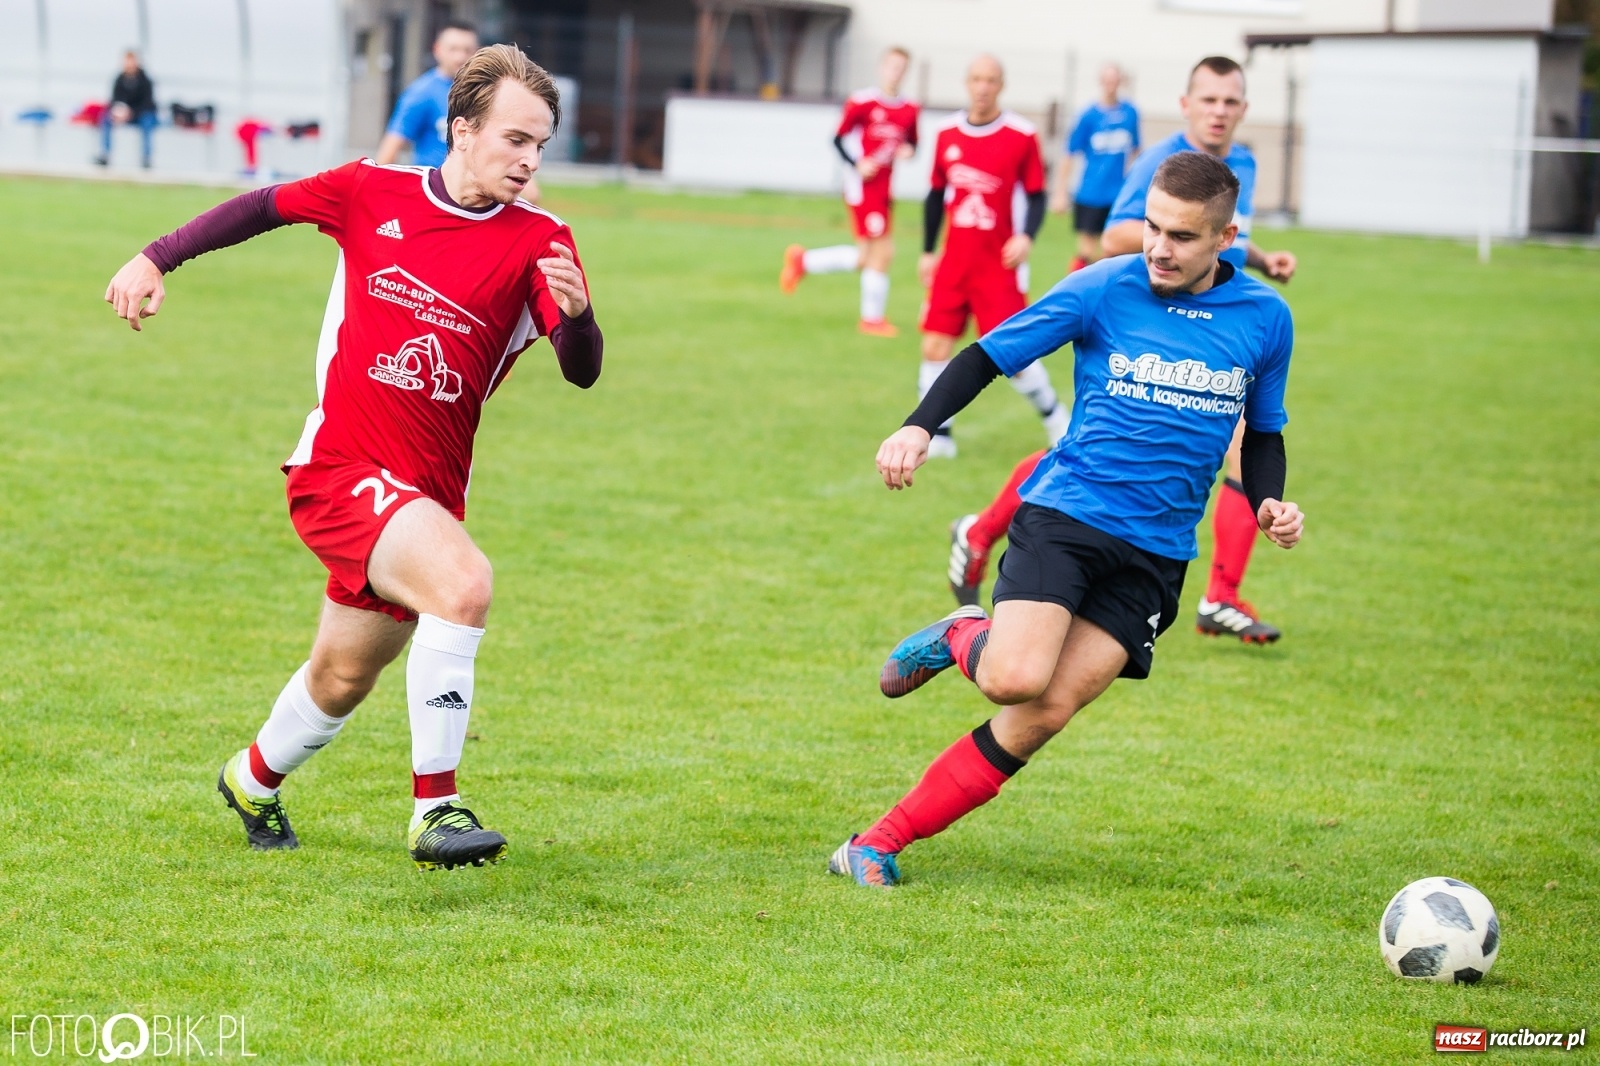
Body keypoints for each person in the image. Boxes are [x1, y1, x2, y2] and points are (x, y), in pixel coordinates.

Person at [102, 44, 602, 871]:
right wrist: (156, 255)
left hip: (425, 500)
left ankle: (250, 777)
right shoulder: (372, 189)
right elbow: (263, 205)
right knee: (466, 585)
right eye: (516, 139)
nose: (531, 160)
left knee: (340, 678)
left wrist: (579, 319)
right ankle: (435, 810)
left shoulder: (541, 240)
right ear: (463, 129)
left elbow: (581, 371)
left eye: (542, 145)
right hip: (338, 472)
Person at [828, 152, 1303, 888]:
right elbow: (989, 354)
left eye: (1181, 235)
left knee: (1045, 713)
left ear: (1226, 237)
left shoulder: (1266, 320)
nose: (1157, 248)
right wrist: (919, 427)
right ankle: (965, 634)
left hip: (1157, 555)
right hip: (1068, 517)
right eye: (1151, 227)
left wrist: (1269, 499)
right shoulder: (1103, 288)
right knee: (1015, 677)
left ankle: (874, 844)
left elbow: (1264, 430)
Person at [948, 56, 1296, 642]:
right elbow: (1114, 235)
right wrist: (1176, 240)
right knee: (1098, 453)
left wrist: (1256, 260)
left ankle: (1220, 595)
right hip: (1134, 312)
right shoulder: (1158, 165)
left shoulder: (1243, 165)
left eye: (1229, 102)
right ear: (1185, 104)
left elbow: (1225, 237)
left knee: (1231, 441)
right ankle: (982, 531)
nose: (1218, 111)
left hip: (1210, 319)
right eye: (1207, 100)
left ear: (1244, 109)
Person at [916, 55, 1068, 460]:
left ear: (1001, 85)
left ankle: (1056, 419)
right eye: (976, 79)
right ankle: (939, 436)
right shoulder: (946, 132)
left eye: (991, 80)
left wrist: (1025, 237)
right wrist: (928, 251)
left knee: (1013, 355)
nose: (983, 87)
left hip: (998, 264)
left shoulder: (1021, 134)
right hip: (954, 262)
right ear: (967, 83)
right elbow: (935, 196)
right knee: (934, 346)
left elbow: (1036, 195)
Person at [781, 47, 919, 337]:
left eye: (902, 68)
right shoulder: (862, 102)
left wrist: (909, 151)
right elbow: (838, 138)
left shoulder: (909, 109)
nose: (896, 72)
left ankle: (803, 261)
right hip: (862, 187)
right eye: (892, 66)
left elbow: (912, 144)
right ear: (882, 67)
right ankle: (871, 320)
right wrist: (857, 163)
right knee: (883, 252)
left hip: (884, 189)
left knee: (864, 257)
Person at [1056, 63, 1139, 274]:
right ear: (1101, 82)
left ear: (1120, 82)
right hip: (1090, 192)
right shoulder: (1088, 115)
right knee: (1085, 251)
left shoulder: (1130, 113)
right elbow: (1070, 153)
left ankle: (1108, 294)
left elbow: (1136, 151)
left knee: (1113, 251)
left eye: (1115, 80)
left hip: (1117, 194)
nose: (1111, 85)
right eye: (1107, 80)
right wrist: (1060, 192)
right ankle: (1077, 290)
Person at [377, 22, 478, 170]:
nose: (460, 57)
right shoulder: (421, 93)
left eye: (467, 50)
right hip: (433, 188)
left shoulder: (484, 92)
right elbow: (390, 149)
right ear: (437, 50)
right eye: (453, 49)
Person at [94, 51, 158, 169]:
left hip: (140, 114)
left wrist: (131, 113)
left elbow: (148, 104)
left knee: (148, 122)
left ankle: (146, 158)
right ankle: (105, 154)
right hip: (124, 115)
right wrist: (118, 112)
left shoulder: (145, 81)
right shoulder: (119, 79)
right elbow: (114, 100)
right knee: (106, 118)